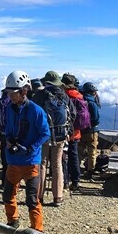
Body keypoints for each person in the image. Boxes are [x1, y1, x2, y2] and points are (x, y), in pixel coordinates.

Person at [2, 70, 50, 234]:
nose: (9, 96)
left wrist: (31, 147)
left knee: (32, 199)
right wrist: (9, 140)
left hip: (30, 162)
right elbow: (9, 129)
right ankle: (12, 222)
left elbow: (45, 133)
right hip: (14, 160)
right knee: (8, 194)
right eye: (8, 92)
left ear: (24, 91)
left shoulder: (36, 111)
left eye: (12, 93)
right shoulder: (9, 108)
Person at [32, 70, 71, 207]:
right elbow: (73, 114)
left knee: (41, 164)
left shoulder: (39, 96)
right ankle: (58, 197)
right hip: (61, 135)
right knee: (57, 164)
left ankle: (39, 197)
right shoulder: (64, 96)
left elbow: (31, 114)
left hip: (43, 135)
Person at [61, 73, 83, 191]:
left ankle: (64, 181)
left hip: (66, 131)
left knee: (64, 157)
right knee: (74, 156)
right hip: (77, 131)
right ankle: (76, 180)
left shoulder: (65, 96)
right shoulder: (79, 95)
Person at [81, 82, 101, 183]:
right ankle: (90, 171)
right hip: (92, 130)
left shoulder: (81, 100)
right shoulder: (93, 103)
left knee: (79, 150)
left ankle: (74, 169)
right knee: (92, 152)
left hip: (81, 130)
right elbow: (96, 118)